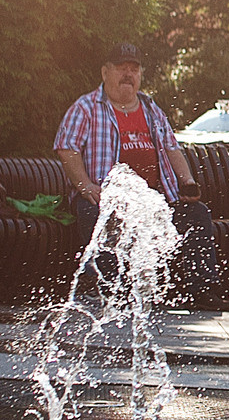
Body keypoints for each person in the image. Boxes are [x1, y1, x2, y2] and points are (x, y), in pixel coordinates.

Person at [51, 42, 218, 305]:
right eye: (121, 68)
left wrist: (187, 182)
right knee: (94, 213)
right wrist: (85, 186)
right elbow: (66, 148)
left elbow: (172, 148)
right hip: (106, 199)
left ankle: (203, 291)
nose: (128, 74)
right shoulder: (86, 108)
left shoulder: (151, 110)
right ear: (105, 72)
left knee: (197, 214)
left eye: (134, 69)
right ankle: (113, 293)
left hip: (153, 202)